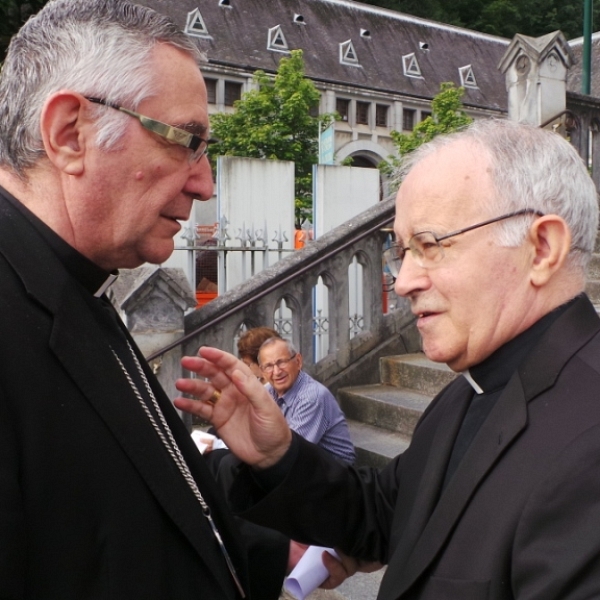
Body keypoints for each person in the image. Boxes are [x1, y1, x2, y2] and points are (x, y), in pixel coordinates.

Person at [175, 118, 600, 599]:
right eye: (402, 251)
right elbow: (382, 514)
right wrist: (278, 458)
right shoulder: (463, 394)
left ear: (541, 248)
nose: (402, 282)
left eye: (431, 245)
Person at [0, 1, 320, 597]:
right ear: (71, 134)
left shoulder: (77, 278)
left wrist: (278, 553)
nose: (204, 182)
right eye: (186, 141)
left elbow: (111, 518)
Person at [258, 337, 356, 464]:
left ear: (298, 361)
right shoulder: (268, 391)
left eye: (282, 362)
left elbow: (290, 451)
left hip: (334, 472)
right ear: (262, 372)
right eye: (269, 366)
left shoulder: (312, 397)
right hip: (302, 464)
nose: (276, 372)